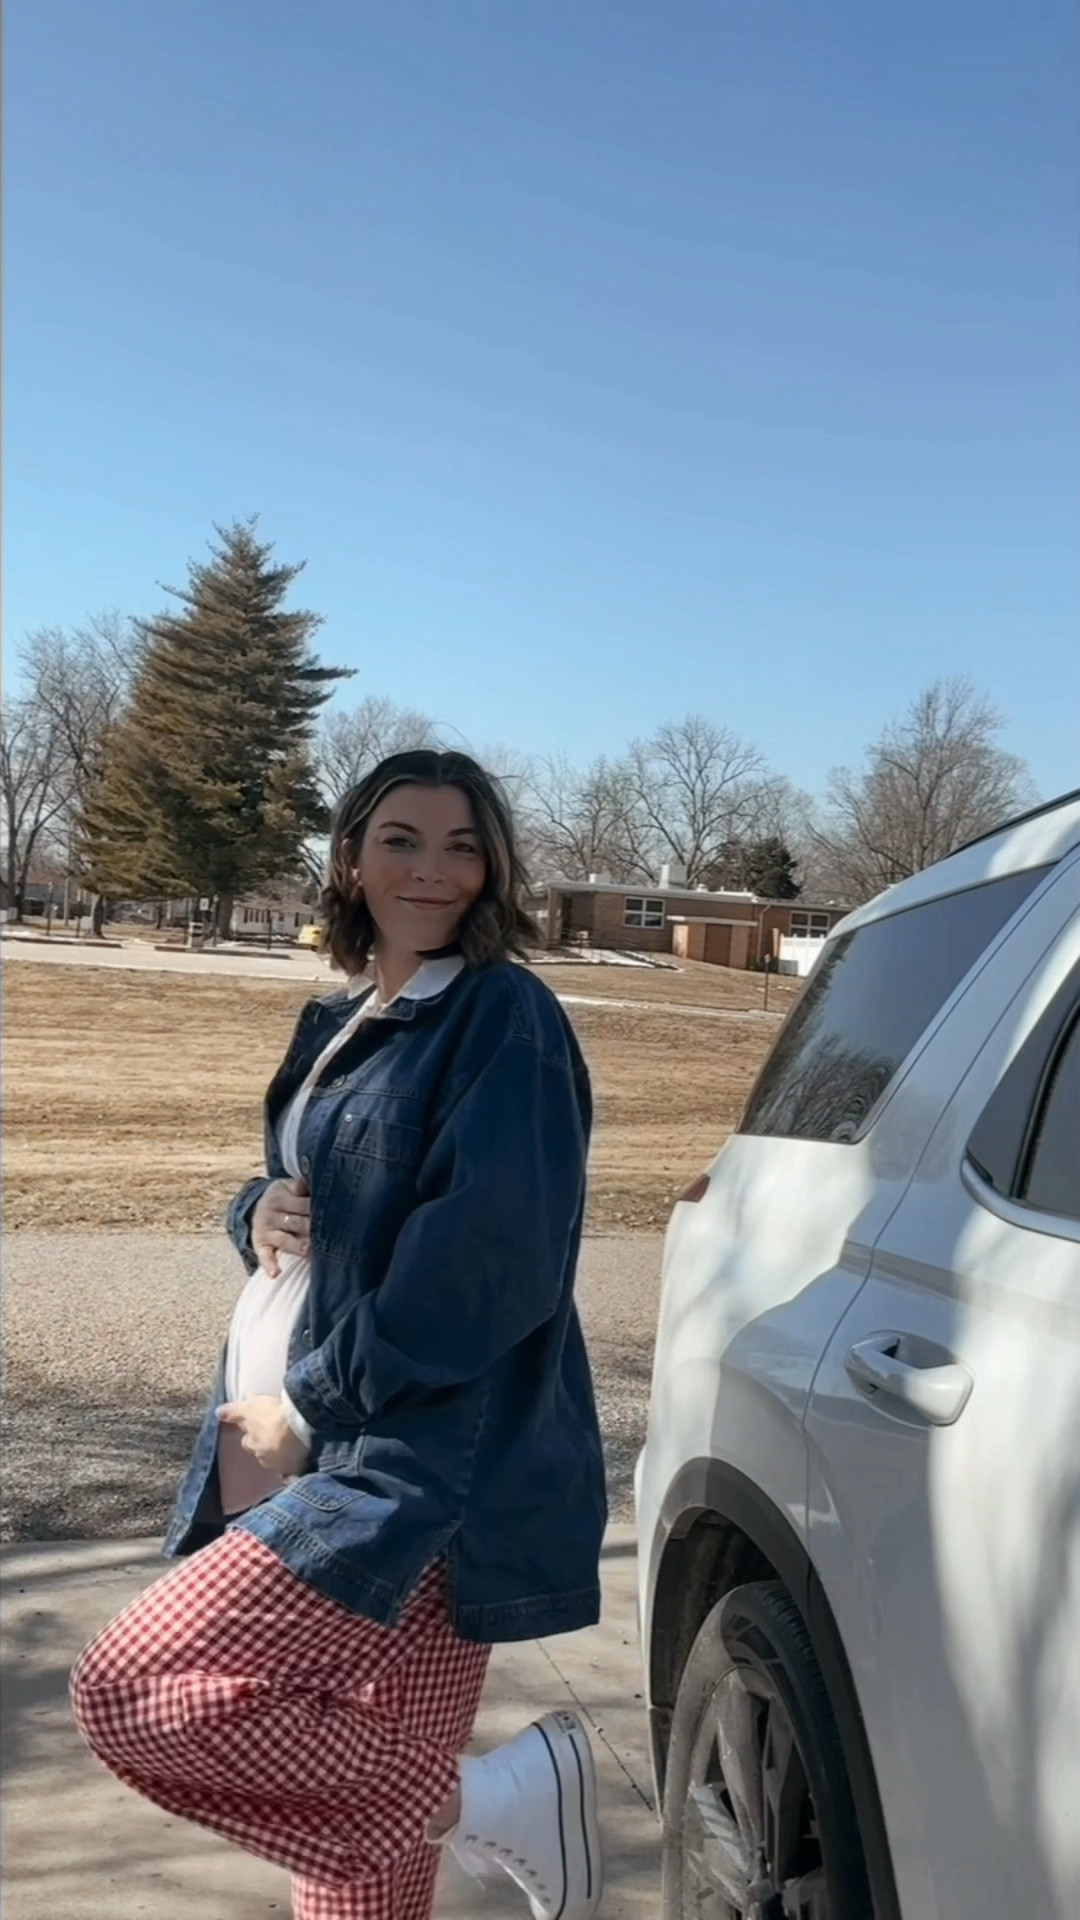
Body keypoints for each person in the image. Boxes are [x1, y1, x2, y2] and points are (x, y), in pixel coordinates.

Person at [71, 750, 608, 1920]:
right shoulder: (344, 1015)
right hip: (304, 1447)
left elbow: (491, 1261)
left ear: (493, 868)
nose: (432, 868)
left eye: (462, 845)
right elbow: (323, 1197)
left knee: (135, 1687)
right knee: (348, 1848)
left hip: (403, 1467)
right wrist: (249, 1205)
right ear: (351, 858)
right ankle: (472, 1803)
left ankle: (493, 1799)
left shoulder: (500, 1015)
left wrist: (307, 1406)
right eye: (402, 839)